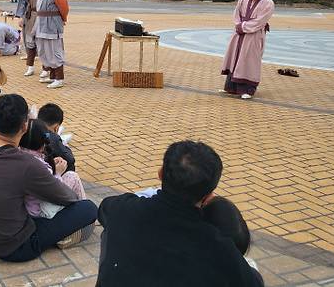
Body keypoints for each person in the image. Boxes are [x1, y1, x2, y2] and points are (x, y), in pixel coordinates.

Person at [96, 140, 264, 287]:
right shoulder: (220, 248)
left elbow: (105, 208)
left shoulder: (122, 209)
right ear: (208, 195)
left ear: (160, 174)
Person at [0, 94, 97, 261]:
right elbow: (67, 197)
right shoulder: (26, 164)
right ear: (25, 126)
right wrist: (57, 173)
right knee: (88, 209)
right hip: (13, 246)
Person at [221, 0, 275, 100]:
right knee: (235, 57)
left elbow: (260, 21)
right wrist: (238, 25)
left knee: (249, 60)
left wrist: (244, 27)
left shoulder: (268, 3)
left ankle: (248, 90)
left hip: (254, 35)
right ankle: (232, 88)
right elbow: (237, 12)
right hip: (239, 33)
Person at [19, 119, 87, 220]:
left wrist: (51, 164)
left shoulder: (18, 154)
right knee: (73, 176)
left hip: (26, 205)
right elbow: (54, 191)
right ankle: (84, 211)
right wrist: (58, 173)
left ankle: (80, 207)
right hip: (39, 211)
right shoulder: (39, 166)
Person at [35, 0, 69, 89]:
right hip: (42, 22)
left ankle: (59, 78)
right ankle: (53, 76)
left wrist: (63, 19)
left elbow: (64, 8)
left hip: (52, 23)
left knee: (54, 50)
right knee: (45, 49)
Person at [15, 0, 45, 76]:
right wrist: (21, 17)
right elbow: (22, 3)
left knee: (42, 43)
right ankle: (30, 67)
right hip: (30, 16)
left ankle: (45, 68)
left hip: (43, 16)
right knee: (29, 42)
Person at [37, 103, 75, 172]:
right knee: (69, 166)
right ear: (56, 127)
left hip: (32, 166)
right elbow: (70, 159)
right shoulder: (52, 138)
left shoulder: (31, 129)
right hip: (47, 172)